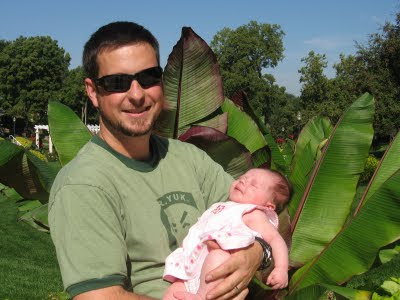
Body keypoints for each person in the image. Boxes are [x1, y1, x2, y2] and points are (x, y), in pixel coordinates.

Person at [48, 21, 272, 300]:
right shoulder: (84, 185)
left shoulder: (189, 158)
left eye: (148, 77)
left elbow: (255, 217)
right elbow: (99, 296)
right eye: (117, 82)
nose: (137, 94)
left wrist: (257, 253)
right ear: (93, 92)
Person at [162, 168, 290, 300]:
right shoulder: (221, 206)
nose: (243, 181)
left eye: (253, 184)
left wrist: (281, 268)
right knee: (173, 292)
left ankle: (201, 297)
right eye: (242, 178)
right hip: (192, 269)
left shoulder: (253, 213)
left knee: (218, 256)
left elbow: (275, 239)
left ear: (269, 206)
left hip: (219, 270)